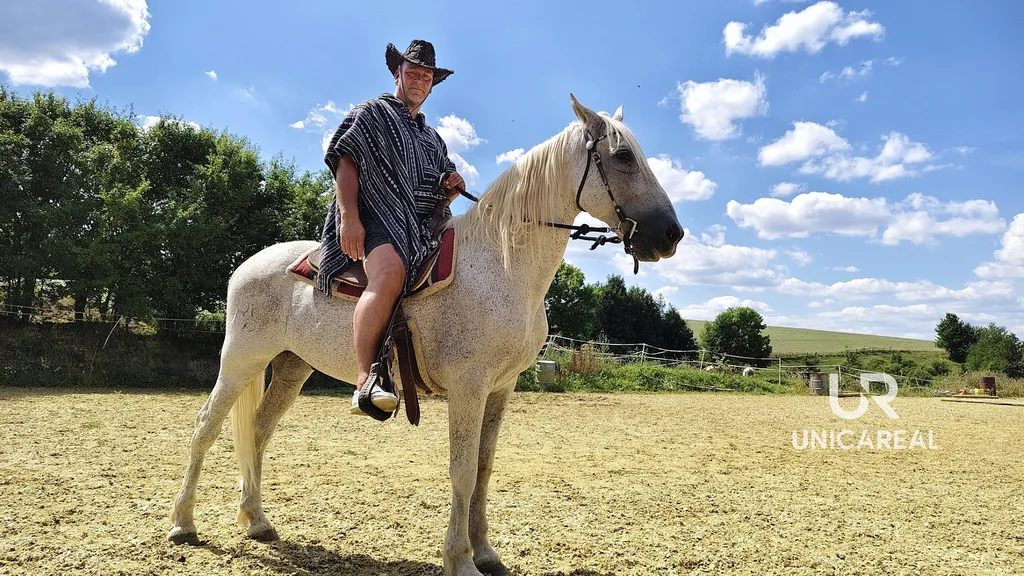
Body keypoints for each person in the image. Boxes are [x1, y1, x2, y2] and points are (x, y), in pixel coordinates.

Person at [317, 39, 465, 417]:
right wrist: (349, 219)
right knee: (389, 273)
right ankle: (365, 380)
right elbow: (345, 161)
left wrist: (449, 188)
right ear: (397, 73)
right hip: (373, 216)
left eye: (426, 77)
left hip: (419, 229)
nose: (419, 81)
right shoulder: (371, 112)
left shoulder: (433, 139)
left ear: (432, 85)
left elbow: (437, 191)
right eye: (412, 73)